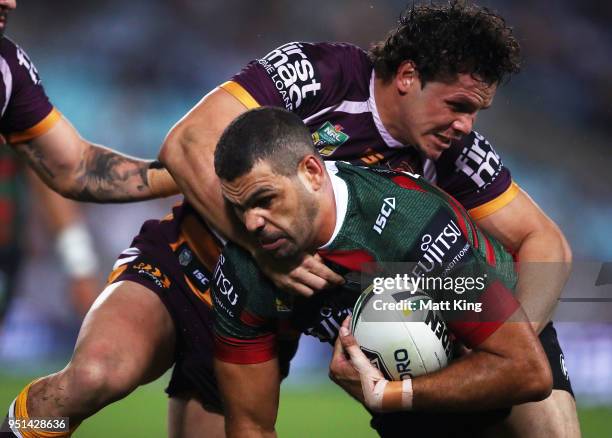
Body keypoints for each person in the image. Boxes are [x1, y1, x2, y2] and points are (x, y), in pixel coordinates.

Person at [9, 2, 576, 437]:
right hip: (196, 260)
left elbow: (543, 241)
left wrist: (501, 343)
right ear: (406, 76)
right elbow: (186, 144)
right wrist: (266, 251)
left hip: (268, 305)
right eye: (458, 106)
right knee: (93, 377)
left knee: (547, 414)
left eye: (476, 112)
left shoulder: (445, 154)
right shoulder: (320, 74)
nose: (466, 127)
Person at [210, 106, 552, 437]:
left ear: (312, 173)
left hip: (504, 331)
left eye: (265, 200)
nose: (251, 223)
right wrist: (391, 396)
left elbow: (527, 370)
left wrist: (389, 394)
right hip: (404, 395)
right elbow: (250, 426)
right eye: (238, 208)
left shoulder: (408, 224)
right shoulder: (243, 270)